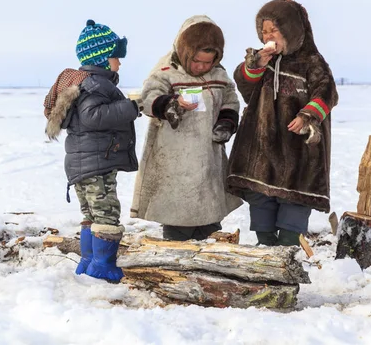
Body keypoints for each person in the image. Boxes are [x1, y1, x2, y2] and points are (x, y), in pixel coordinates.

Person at [227, 0, 339, 246]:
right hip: (262, 147)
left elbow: (327, 93)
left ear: (291, 30)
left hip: (297, 150)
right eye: (264, 31)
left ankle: (289, 251)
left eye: (274, 31)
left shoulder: (312, 62)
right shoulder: (262, 60)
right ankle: (265, 248)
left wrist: (306, 115)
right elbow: (245, 86)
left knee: (293, 204)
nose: (268, 36)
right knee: (261, 199)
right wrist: (256, 66)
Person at [44, 19, 140, 281]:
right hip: (97, 162)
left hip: (82, 162)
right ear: (102, 59)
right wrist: (133, 107)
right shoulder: (97, 84)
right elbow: (93, 116)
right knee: (106, 213)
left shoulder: (84, 82)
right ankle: (102, 267)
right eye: (116, 57)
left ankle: (87, 261)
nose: (119, 63)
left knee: (90, 213)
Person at [130, 15, 242, 241]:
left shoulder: (219, 75)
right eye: (196, 61)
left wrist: (226, 123)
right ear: (185, 52)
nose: (201, 66)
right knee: (178, 215)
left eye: (207, 62)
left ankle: (208, 261)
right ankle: (176, 257)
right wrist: (170, 104)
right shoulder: (166, 71)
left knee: (209, 216)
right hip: (174, 160)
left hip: (208, 159)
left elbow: (231, 100)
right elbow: (148, 98)